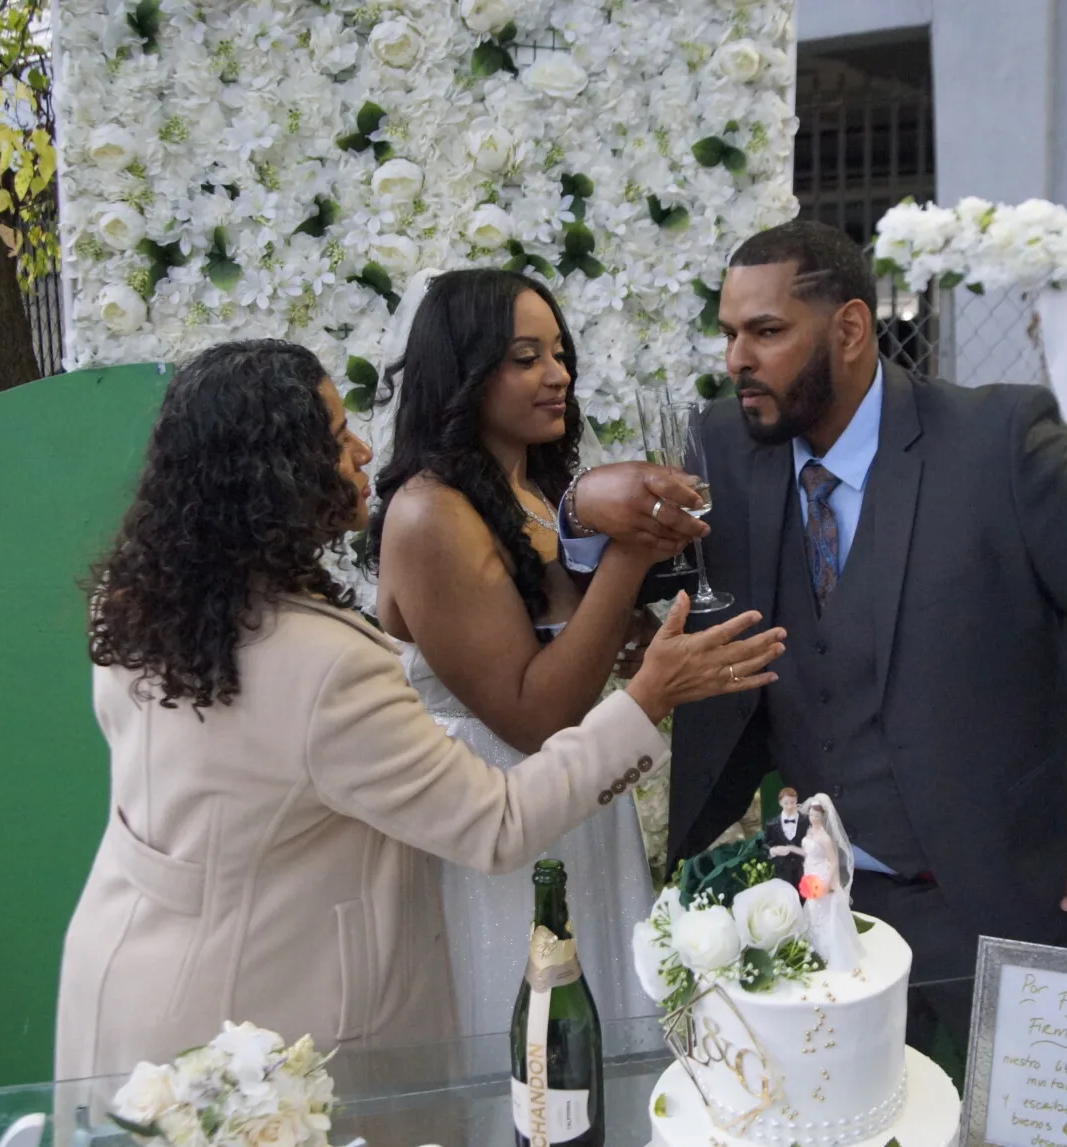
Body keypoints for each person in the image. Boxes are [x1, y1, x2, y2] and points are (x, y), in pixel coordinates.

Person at [56, 339, 784, 1079]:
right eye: (338, 438)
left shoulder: (137, 600)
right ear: (274, 476)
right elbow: (497, 824)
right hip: (246, 1019)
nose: (364, 449)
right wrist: (646, 697)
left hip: (119, 967)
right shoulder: (325, 664)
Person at [564, 219, 1067, 982]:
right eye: (729, 334)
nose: (737, 360)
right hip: (817, 909)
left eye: (766, 331)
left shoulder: (1004, 442)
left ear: (851, 328)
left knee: (1012, 1107)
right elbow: (640, 575)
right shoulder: (722, 447)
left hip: (1012, 889)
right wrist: (583, 507)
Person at [366, 269, 713, 1034]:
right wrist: (628, 553)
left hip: (577, 801)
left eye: (558, 353)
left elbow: (576, 654)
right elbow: (535, 714)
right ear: (463, 372)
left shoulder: (528, 489)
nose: (557, 374)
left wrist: (642, 635)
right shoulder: (430, 513)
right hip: (498, 824)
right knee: (536, 1048)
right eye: (525, 357)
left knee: (606, 1031)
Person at [798, 796, 866, 973]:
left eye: (816, 816)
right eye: (811, 815)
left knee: (823, 910)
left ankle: (829, 950)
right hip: (810, 870)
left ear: (822, 818)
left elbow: (834, 861)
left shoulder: (825, 838)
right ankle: (811, 943)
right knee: (811, 908)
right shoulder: (809, 832)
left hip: (821, 873)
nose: (813, 818)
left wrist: (827, 880)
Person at [765, 785, 809, 889]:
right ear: (780, 803)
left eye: (792, 802)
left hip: (803, 869)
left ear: (796, 801)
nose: (789, 806)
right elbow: (764, 845)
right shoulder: (771, 824)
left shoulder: (806, 821)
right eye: (786, 803)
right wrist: (773, 851)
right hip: (781, 870)